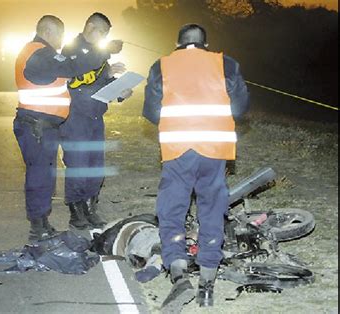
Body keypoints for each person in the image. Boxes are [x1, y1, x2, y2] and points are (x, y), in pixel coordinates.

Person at [143, 24, 249, 310]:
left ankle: (177, 270)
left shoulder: (161, 66)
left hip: (178, 149)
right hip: (214, 149)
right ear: (206, 43)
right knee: (212, 207)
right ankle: (207, 276)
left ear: (177, 43)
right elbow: (240, 108)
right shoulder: (225, 63)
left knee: (173, 208)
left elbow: (150, 111)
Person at [13, 15, 123, 242]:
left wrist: (113, 81)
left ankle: (43, 225)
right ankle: (40, 227)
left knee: (47, 176)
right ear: (48, 32)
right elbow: (73, 69)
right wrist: (105, 52)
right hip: (37, 125)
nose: (61, 41)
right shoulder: (38, 53)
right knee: (42, 177)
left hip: (45, 125)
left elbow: (72, 74)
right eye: (59, 35)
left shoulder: (43, 53)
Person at [60, 12, 132, 230]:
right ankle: (76, 210)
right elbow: (80, 69)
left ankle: (91, 208)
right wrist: (106, 52)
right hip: (75, 116)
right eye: (103, 32)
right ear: (90, 26)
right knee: (78, 163)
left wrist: (120, 91)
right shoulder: (72, 48)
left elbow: (102, 83)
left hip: (94, 116)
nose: (104, 38)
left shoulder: (99, 54)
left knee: (96, 165)